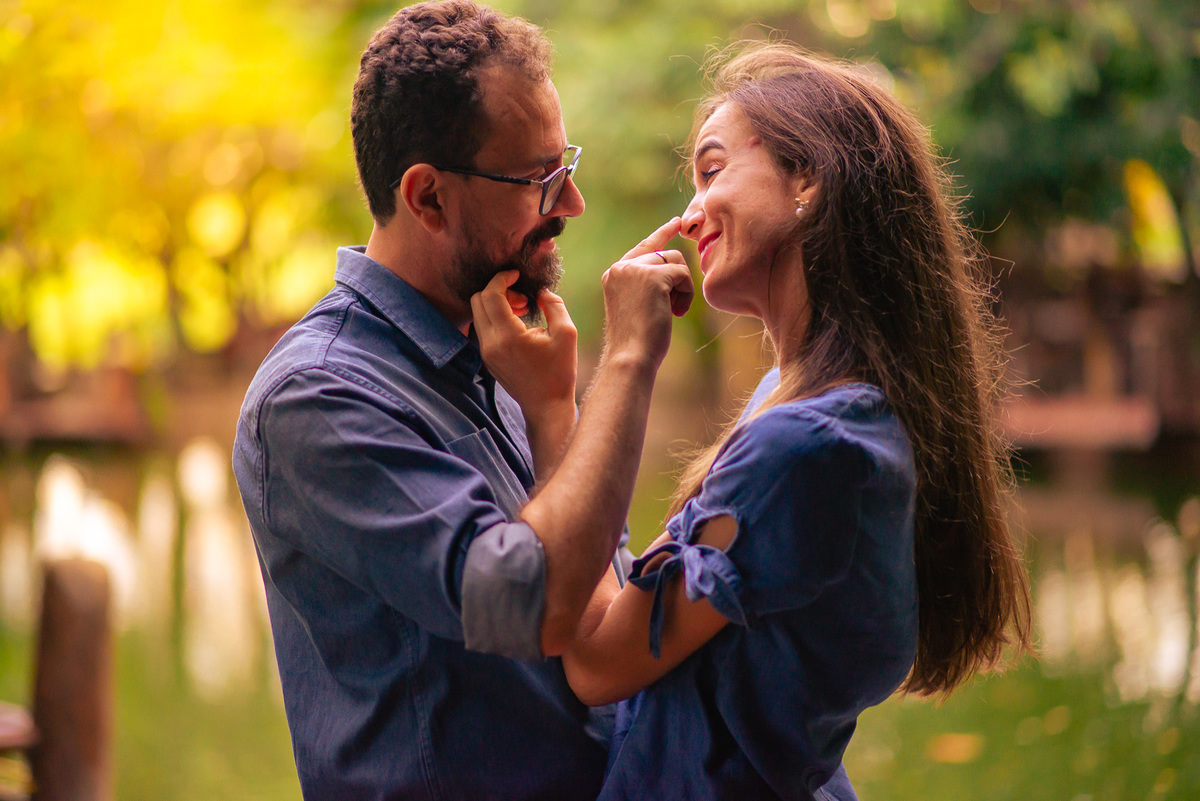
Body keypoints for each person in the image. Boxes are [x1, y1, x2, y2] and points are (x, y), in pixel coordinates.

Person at [473, 42, 1033, 800]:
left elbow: (598, 661)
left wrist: (582, 389)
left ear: (807, 180)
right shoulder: (814, 403)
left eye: (711, 172)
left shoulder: (804, 446)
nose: (689, 212)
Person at [232, 2, 692, 798]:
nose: (572, 204)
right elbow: (534, 603)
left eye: (567, 164)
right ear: (428, 198)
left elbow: (597, 607)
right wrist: (626, 361)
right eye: (539, 178)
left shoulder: (506, 348)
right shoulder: (318, 396)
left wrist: (554, 414)